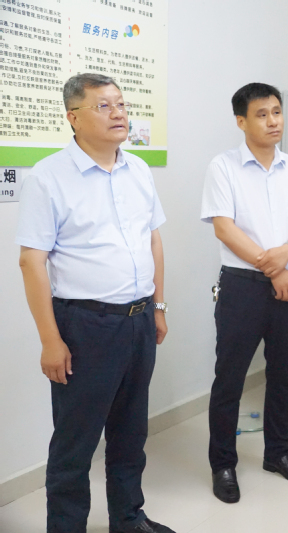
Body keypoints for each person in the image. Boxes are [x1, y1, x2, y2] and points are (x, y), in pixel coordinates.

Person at [17, 73, 173, 533]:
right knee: (76, 443)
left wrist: (159, 307)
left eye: (121, 104)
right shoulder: (48, 177)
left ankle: (128, 518)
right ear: (74, 117)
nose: (118, 113)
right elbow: (31, 261)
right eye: (104, 106)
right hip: (85, 326)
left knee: (131, 434)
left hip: (139, 320)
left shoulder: (137, 169)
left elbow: (153, 240)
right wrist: (51, 340)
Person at [201, 83, 288, 502]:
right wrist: (275, 269)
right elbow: (224, 228)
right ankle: (223, 464)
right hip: (242, 287)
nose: (273, 121)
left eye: (277, 112)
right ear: (241, 121)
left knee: (284, 375)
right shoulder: (223, 166)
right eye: (262, 114)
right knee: (229, 380)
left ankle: (277, 453)